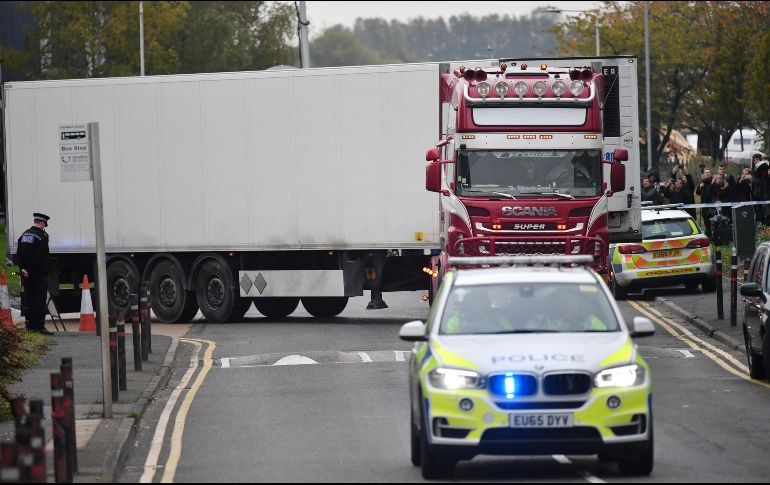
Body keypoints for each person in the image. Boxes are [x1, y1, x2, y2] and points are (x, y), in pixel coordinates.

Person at [16, 213, 53, 335]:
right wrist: (32, 270)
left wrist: (23, 269)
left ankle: (29, 325)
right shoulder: (42, 236)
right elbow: (40, 257)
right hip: (38, 274)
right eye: (44, 225)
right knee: (39, 300)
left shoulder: (24, 234)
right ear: (42, 223)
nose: (44, 227)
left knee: (28, 298)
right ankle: (38, 326)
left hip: (25, 274)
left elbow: (19, 254)